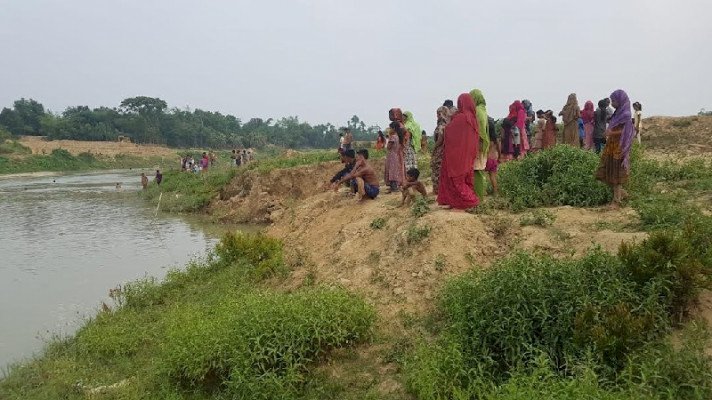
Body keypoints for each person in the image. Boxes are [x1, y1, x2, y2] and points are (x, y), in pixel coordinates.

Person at [437, 93, 479, 210]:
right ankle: (459, 202)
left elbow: (449, 131)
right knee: (465, 178)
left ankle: (471, 201)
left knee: (457, 179)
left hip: (457, 154)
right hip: (468, 154)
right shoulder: (473, 119)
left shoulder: (461, 117)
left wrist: (446, 127)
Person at [595, 90, 634, 208]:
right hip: (612, 145)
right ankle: (621, 194)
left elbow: (626, 130)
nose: (612, 103)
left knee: (616, 172)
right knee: (609, 170)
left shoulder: (626, 114)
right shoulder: (617, 113)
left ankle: (616, 201)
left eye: (614, 101)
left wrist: (611, 133)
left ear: (620, 100)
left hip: (619, 146)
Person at [431, 100, 456, 194]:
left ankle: (438, 189)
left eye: (438, 114)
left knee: (437, 168)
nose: (437, 116)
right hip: (448, 150)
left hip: (441, 150)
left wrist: (434, 148)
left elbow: (440, 139)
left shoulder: (442, 125)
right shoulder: (450, 123)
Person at [470, 89, 490, 199]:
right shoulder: (483, 109)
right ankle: (480, 196)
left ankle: (478, 198)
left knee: (477, 171)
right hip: (482, 143)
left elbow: (480, 129)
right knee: (480, 171)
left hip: (478, 144)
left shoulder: (477, 110)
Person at [384, 126, 403, 192]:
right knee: (394, 170)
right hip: (395, 155)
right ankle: (393, 187)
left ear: (394, 129)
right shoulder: (397, 136)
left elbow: (388, 147)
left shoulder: (392, 137)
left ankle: (393, 187)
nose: (389, 129)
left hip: (391, 155)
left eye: (390, 128)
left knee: (391, 170)